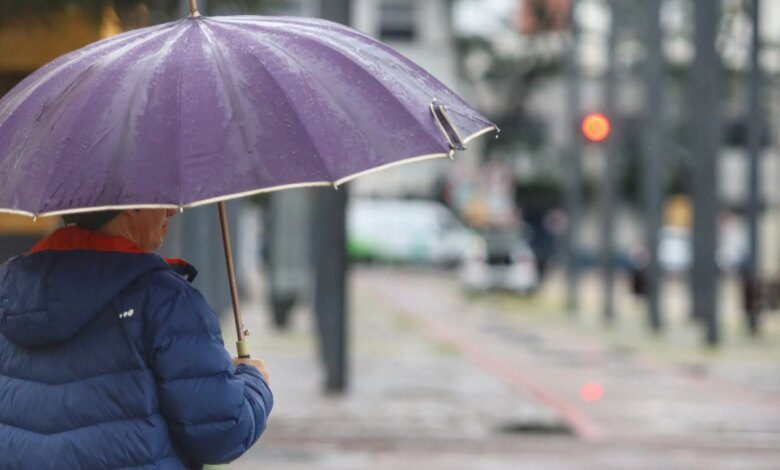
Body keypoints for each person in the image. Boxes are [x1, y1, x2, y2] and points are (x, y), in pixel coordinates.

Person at [0, 209, 273, 469]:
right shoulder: (164, 301)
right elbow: (220, 432)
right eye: (161, 198)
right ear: (131, 206)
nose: (171, 210)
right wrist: (254, 381)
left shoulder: (9, 291)